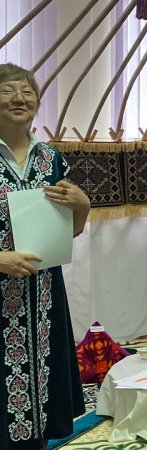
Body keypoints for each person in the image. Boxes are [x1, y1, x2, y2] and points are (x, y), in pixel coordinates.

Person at [0, 63, 90, 449]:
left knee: (40, 407)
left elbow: (66, 232)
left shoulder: (51, 160)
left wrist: (83, 207)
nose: (19, 98)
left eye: (27, 92)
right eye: (7, 91)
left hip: (42, 297)